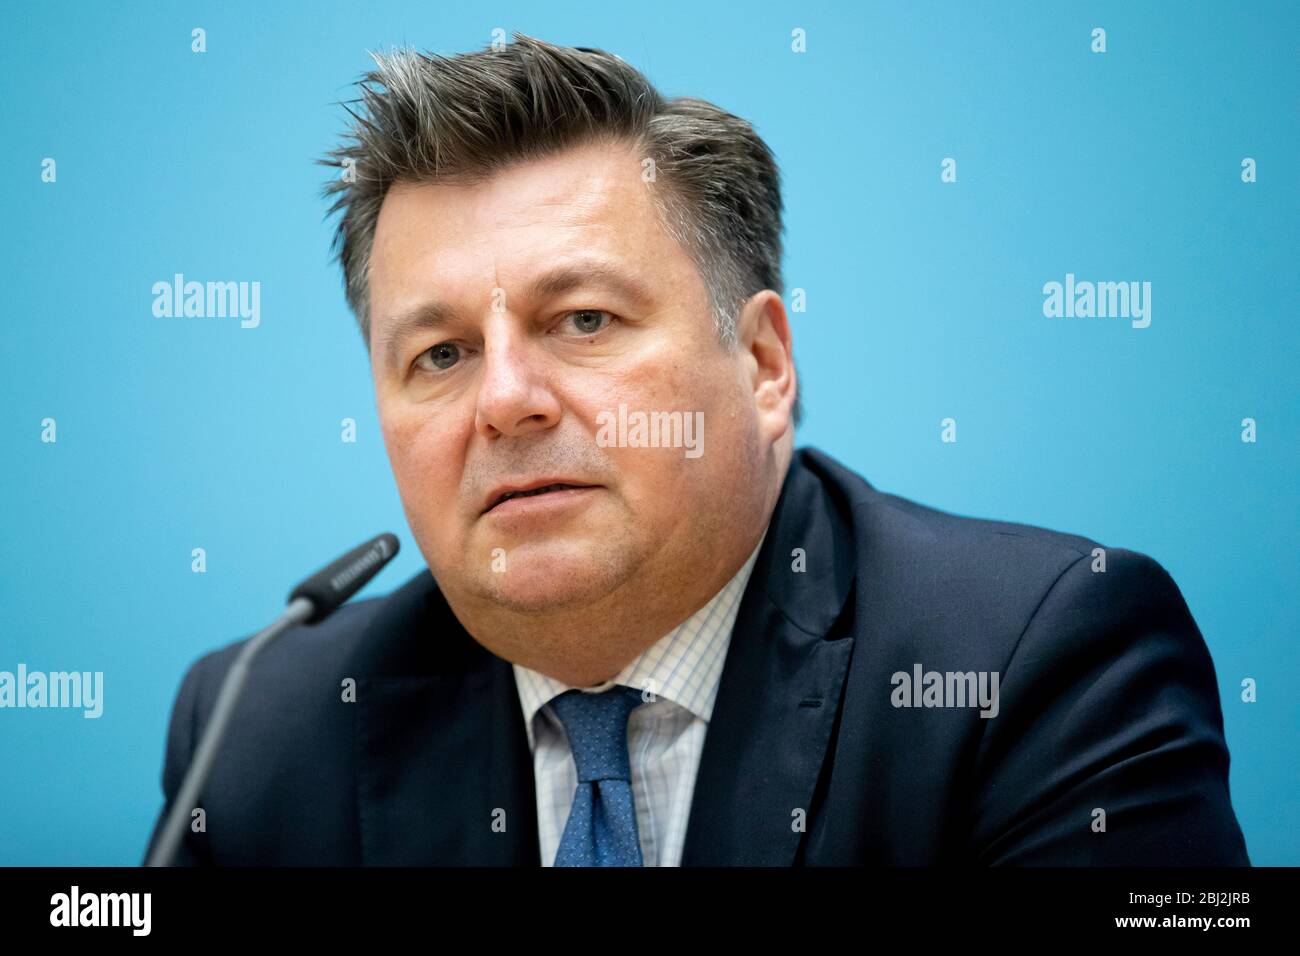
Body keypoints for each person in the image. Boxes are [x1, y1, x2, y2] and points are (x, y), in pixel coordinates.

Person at [143, 34, 1249, 866]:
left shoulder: (1029, 665)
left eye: (583, 320)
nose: (505, 400)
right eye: (440, 354)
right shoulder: (258, 730)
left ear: (763, 363)